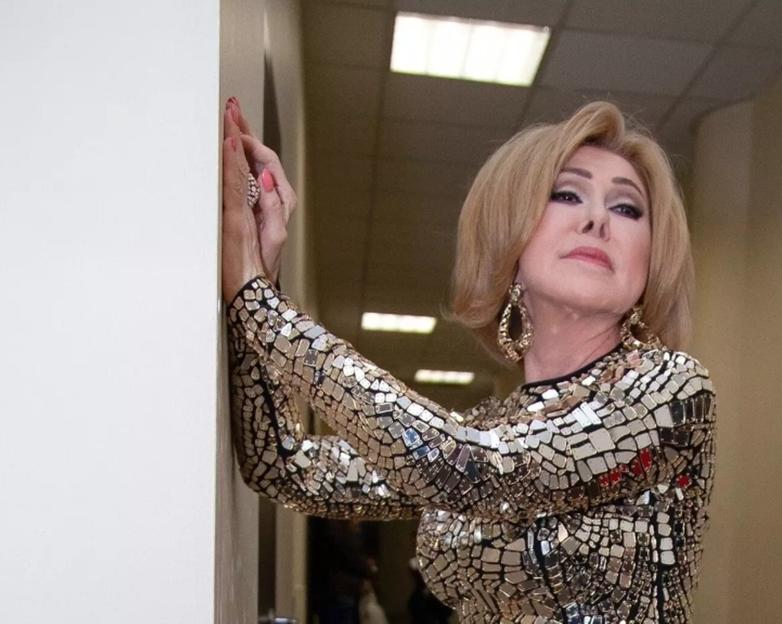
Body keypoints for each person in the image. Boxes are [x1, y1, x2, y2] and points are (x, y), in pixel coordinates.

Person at [222, 96, 717, 622]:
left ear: (651, 257)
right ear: (509, 236)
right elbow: (286, 467)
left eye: (626, 208)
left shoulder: (671, 391)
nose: (597, 219)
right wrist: (261, 275)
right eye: (567, 194)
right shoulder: (491, 427)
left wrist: (257, 302)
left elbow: (474, 469)